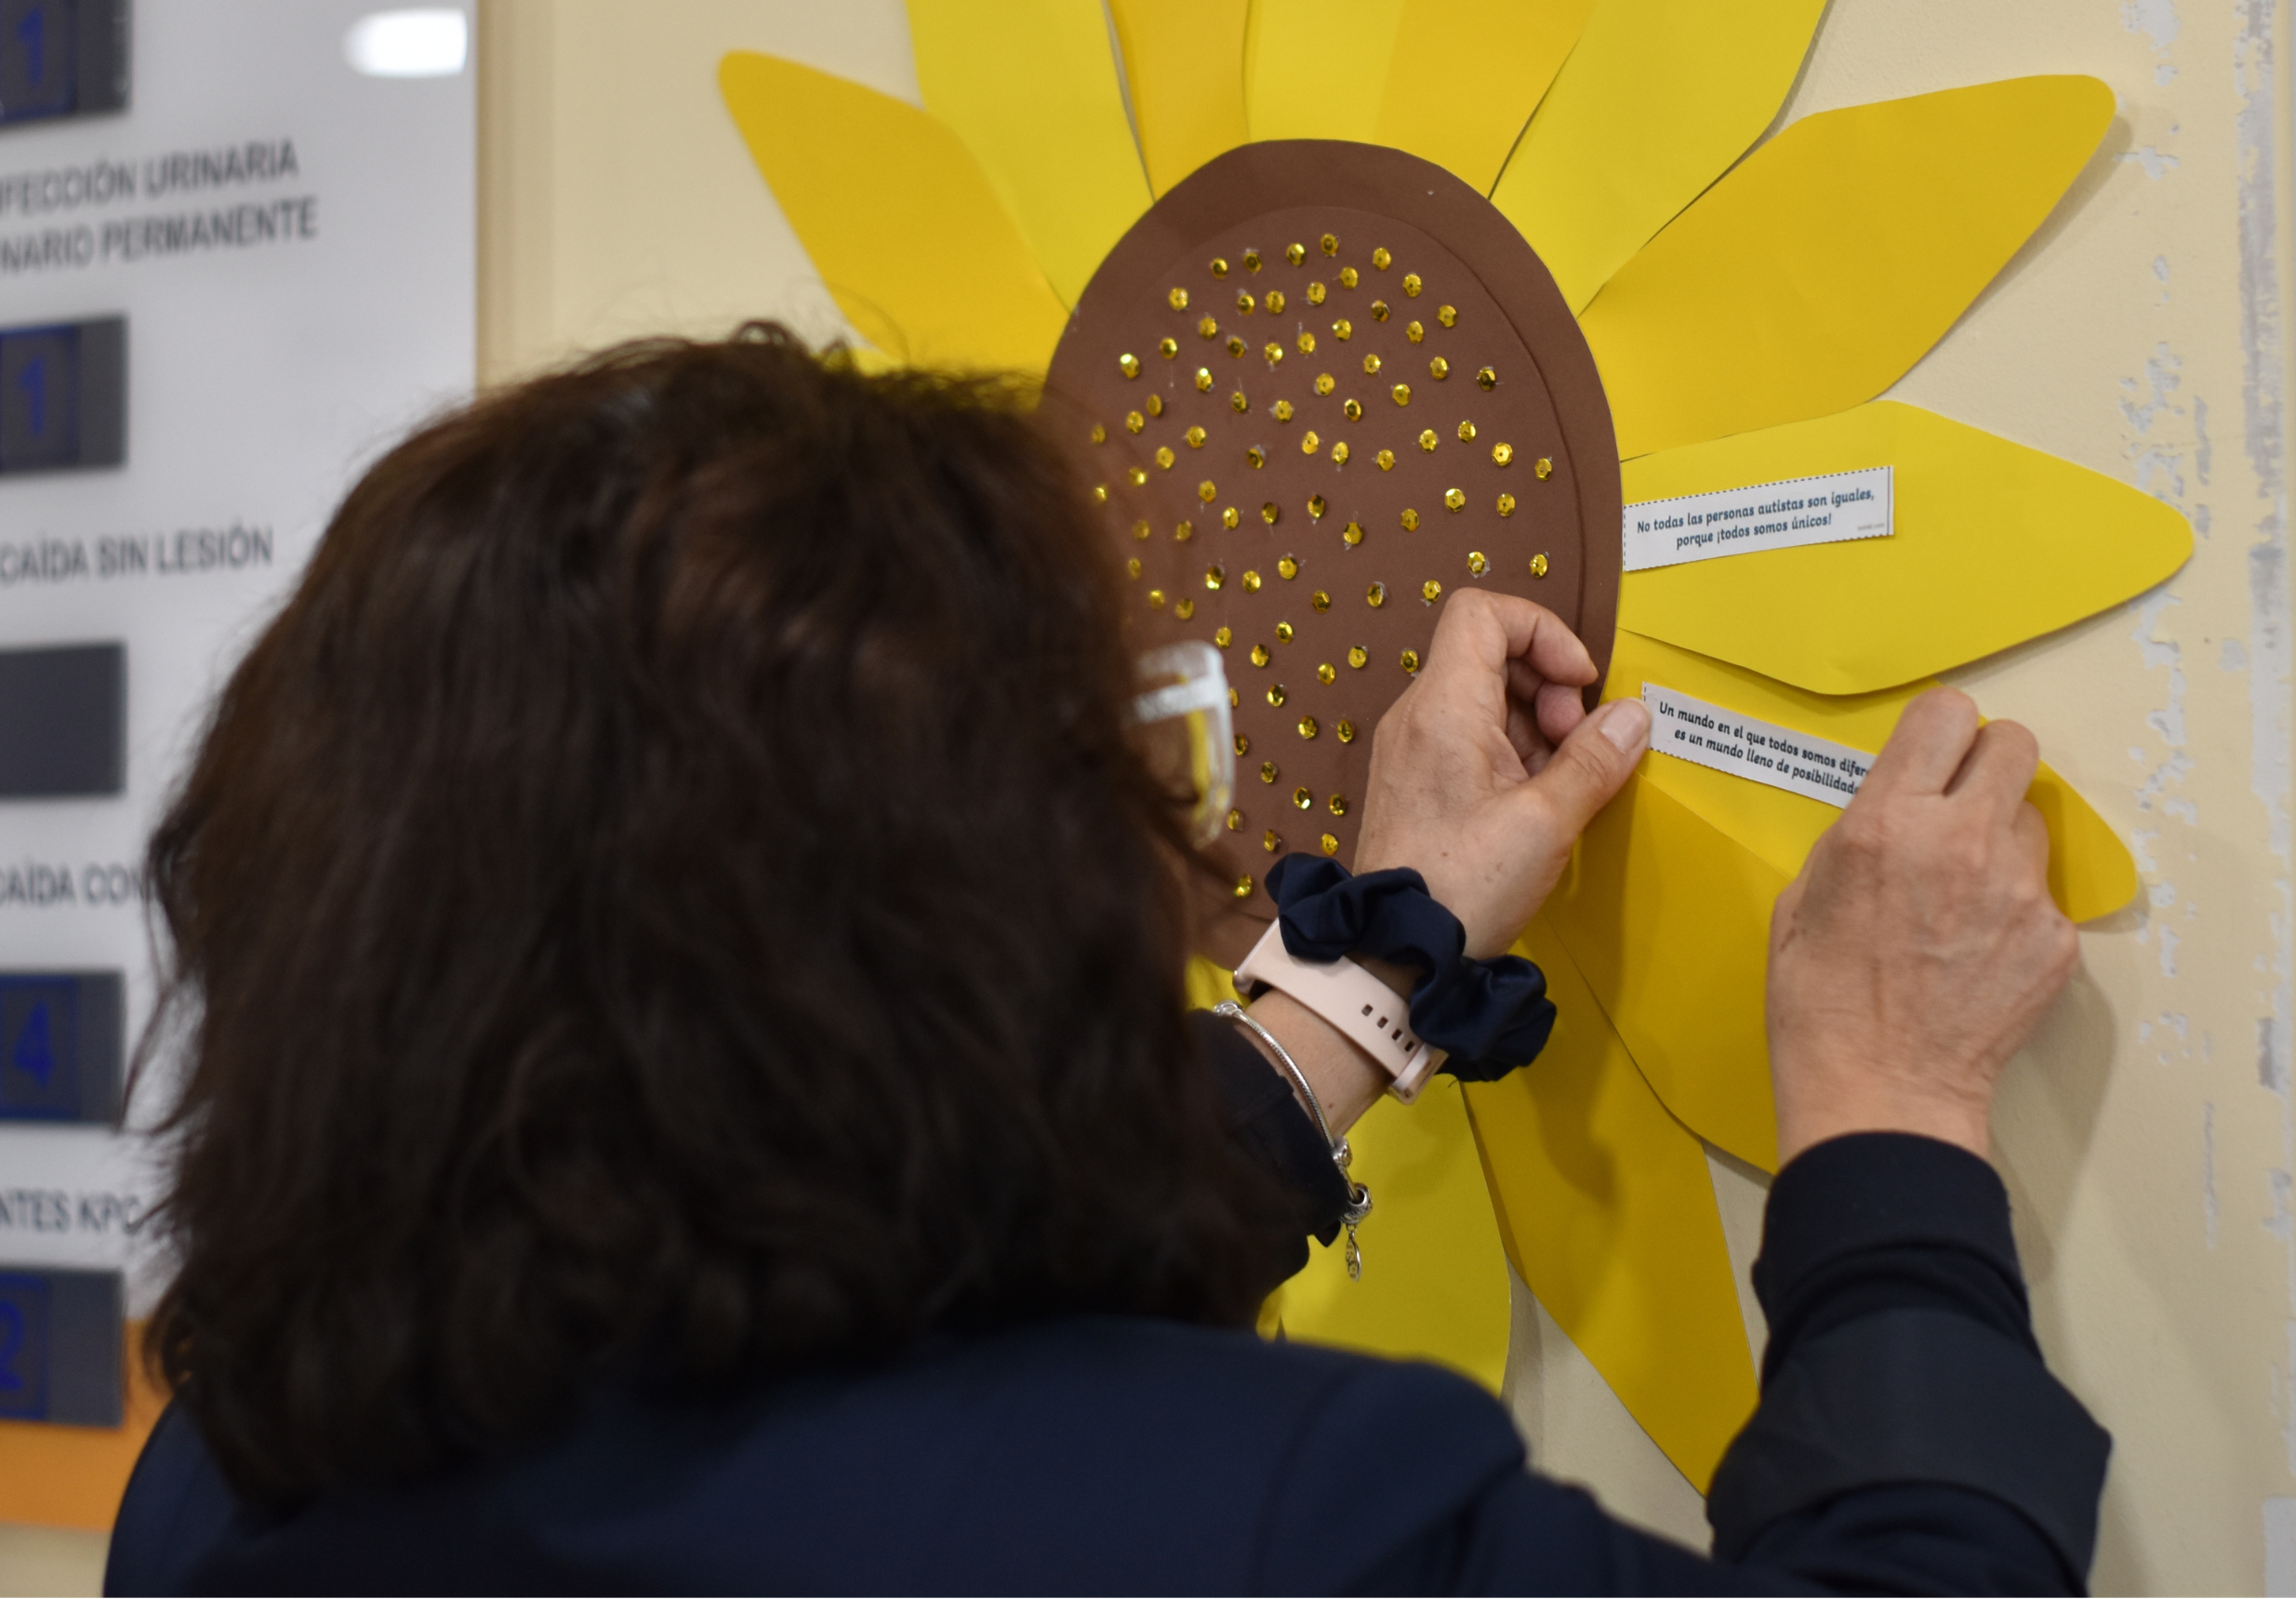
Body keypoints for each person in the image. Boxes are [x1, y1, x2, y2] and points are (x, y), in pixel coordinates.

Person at [104, 327, 2106, 1595]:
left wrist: (1363, 975)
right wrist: (1889, 1104)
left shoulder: (219, 1484)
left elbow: (849, 1339)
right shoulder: (1265, 1523)